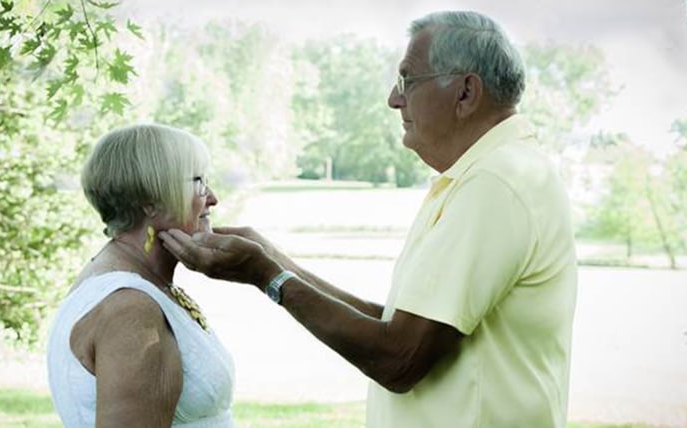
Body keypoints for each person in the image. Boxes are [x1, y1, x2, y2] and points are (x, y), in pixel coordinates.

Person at [159, 10, 577, 428]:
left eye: (407, 81)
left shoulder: (494, 184)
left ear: (465, 92)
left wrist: (265, 274)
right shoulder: (484, 175)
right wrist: (272, 259)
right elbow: (395, 326)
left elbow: (399, 359)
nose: (394, 99)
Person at [47, 124, 235, 427]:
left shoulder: (135, 283)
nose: (212, 198)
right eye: (198, 182)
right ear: (151, 201)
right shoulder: (130, 309)